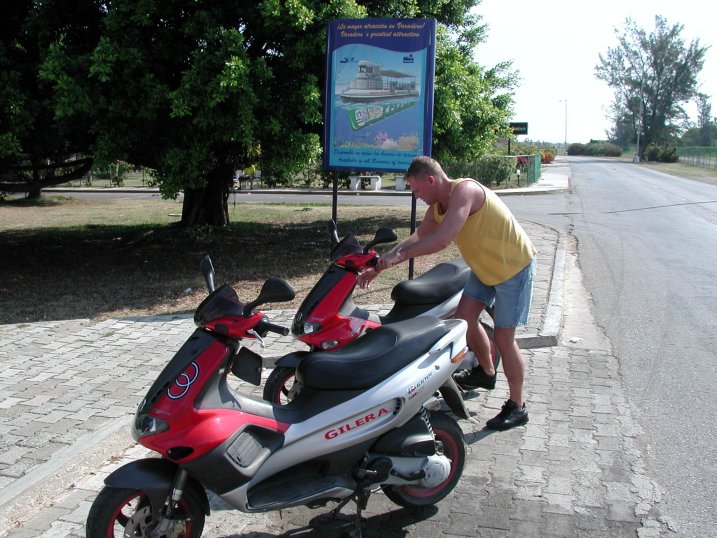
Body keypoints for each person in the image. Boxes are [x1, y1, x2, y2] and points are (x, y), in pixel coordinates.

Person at [357, 156, 536, 430]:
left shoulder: (465, 191)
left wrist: (400, 256)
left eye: (417, 189)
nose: (416, 196)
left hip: (513, 267)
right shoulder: (437, 208)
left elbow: (442, 240)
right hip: (484, 267)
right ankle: (487, 372)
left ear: (431, 180)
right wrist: (379, 265)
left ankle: (517, 406)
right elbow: (417, 237)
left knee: (504, 338)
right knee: (464, 319)